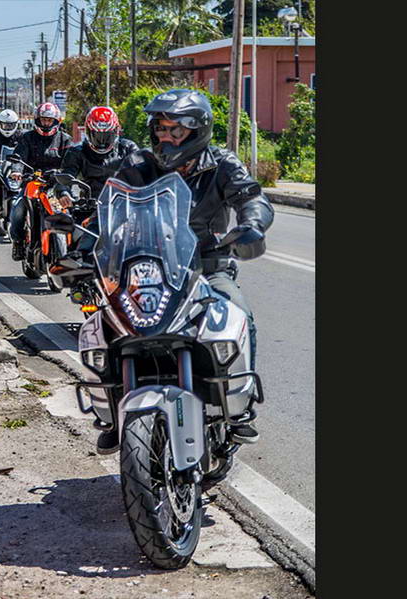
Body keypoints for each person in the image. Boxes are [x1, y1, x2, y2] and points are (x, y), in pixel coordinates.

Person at [87, 89, 274, 454]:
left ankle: (240, 407)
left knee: (239, 312)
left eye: (176, 130)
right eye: (161, 128)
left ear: (197, 130)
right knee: (104, 324)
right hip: (147, 269)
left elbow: (252, 197)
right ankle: (110, 413)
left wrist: (251, 225)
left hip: (207, 267)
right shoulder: (139, 164)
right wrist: (84, 244)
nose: (166, 137)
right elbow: (106, 210)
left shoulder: (222, 164)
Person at [8, 102, 73, 260]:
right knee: (18, 209)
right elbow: (19, 157)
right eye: (43, 120)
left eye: (49, 120)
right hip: (33, 182)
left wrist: (70, 175)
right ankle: (18, 242)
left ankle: (75, 249)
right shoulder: (27, 138)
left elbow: (72, 162)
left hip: (57, 185)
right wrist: (17, 170)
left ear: (56, 121)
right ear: (37, 120)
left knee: (74, 210)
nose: (46, 123)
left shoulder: (65, 139)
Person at [52, 106, 139, 207]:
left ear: (115, 131)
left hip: (125, 204)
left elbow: (143, 171)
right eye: (96, 135)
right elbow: (66, 174)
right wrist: (63, 192)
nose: (102, 141)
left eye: (107, 135)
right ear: (88, 132)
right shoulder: (77, 152)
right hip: (90, 205)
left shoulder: (128, 148)